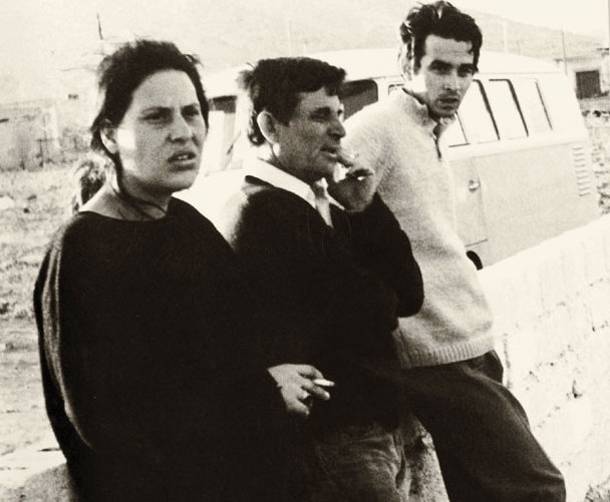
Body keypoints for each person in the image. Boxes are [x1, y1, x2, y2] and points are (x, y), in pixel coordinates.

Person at [34, 40, 330, 502]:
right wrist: (262, 393)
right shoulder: (82, 251)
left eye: (192, 114)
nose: (183, 133)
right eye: (157, 117)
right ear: (110, 136)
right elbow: (112, 423)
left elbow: (237, 348)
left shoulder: (184, 222)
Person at [342, 2, 566, 501]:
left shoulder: (428, 128)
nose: (454, 84)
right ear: (407, 63)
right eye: (439, 68)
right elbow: (330, 207)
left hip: (468, 338)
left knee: (482, 491)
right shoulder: (377, 127)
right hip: (432, 351)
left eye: (465, 71)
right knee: (539, 488)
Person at [211, 57, 423, 501]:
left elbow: (408, 294)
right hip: (335, 445)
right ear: (270, 126)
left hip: (368, 437)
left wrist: (363, 208)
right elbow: (373, 314)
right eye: (320, 116)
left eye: (340, 114)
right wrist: (372, 286)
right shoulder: (264, 213)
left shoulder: (318, 205)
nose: (340, 131)